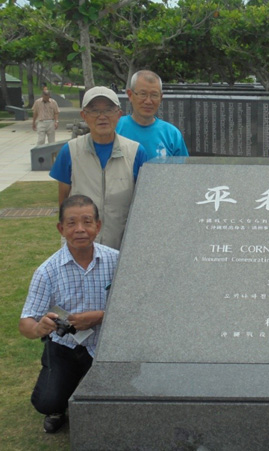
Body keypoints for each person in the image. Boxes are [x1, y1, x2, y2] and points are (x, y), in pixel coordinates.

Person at [19, 195, 119, 434]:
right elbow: (26, 322)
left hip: (105, 346)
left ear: (98, 225)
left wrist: (100, 316)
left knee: (110, 405)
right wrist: (39, 328)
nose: (80, 229)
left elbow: (134, 308)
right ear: (61, 229)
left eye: (87, 221)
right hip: (63, 346)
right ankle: (58, 404)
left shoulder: (116, 261)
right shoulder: (47, 271)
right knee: (47, 402)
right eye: (72, 223)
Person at [50, 86, 148, 250]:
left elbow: (144, 204)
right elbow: (63, 201)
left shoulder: (136, 152)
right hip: (81, 247)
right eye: (94, 111)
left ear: (119, 114)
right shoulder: (70, 151)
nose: (102, 117)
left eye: (109, 110)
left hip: (122, 246)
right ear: (84, 116)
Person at [116, 70, 189, 160]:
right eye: (143, 94)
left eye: (154, 95)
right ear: (130, 95)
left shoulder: (172, 134)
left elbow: (184, 170)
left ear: (161, 98)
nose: (148, 101)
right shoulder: (115, 128)